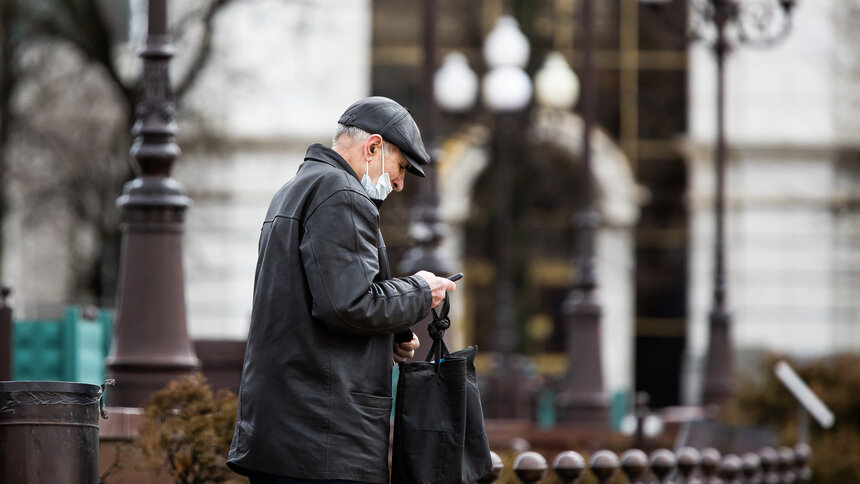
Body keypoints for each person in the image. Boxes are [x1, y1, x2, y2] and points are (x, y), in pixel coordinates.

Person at [227, 97, 457, 484]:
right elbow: (348, 304)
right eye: (401, 167)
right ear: (372, 147)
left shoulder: (296, 189)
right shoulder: (342, 195)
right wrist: (420, 290)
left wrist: (390, 335)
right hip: (323, 439)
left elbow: (319, 301)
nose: (399, 183)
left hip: (287, 431)